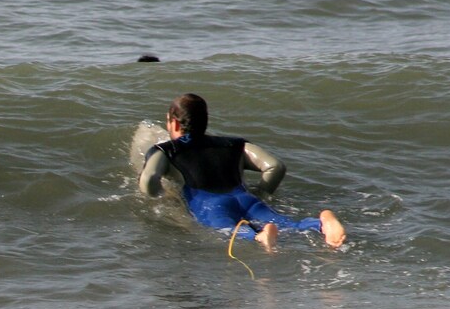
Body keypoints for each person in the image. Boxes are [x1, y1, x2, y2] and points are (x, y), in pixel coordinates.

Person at [138, 93, 346, 251]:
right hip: (246, 198)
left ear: (173, 122)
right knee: (288, 224)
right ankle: (321, 224)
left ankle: (261, 237)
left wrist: (164, 199)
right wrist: (263, 192)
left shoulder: (166, 150)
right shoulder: (232, 145)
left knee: (230, 231)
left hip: (210, 205)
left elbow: (149, 180)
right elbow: (275, 166)